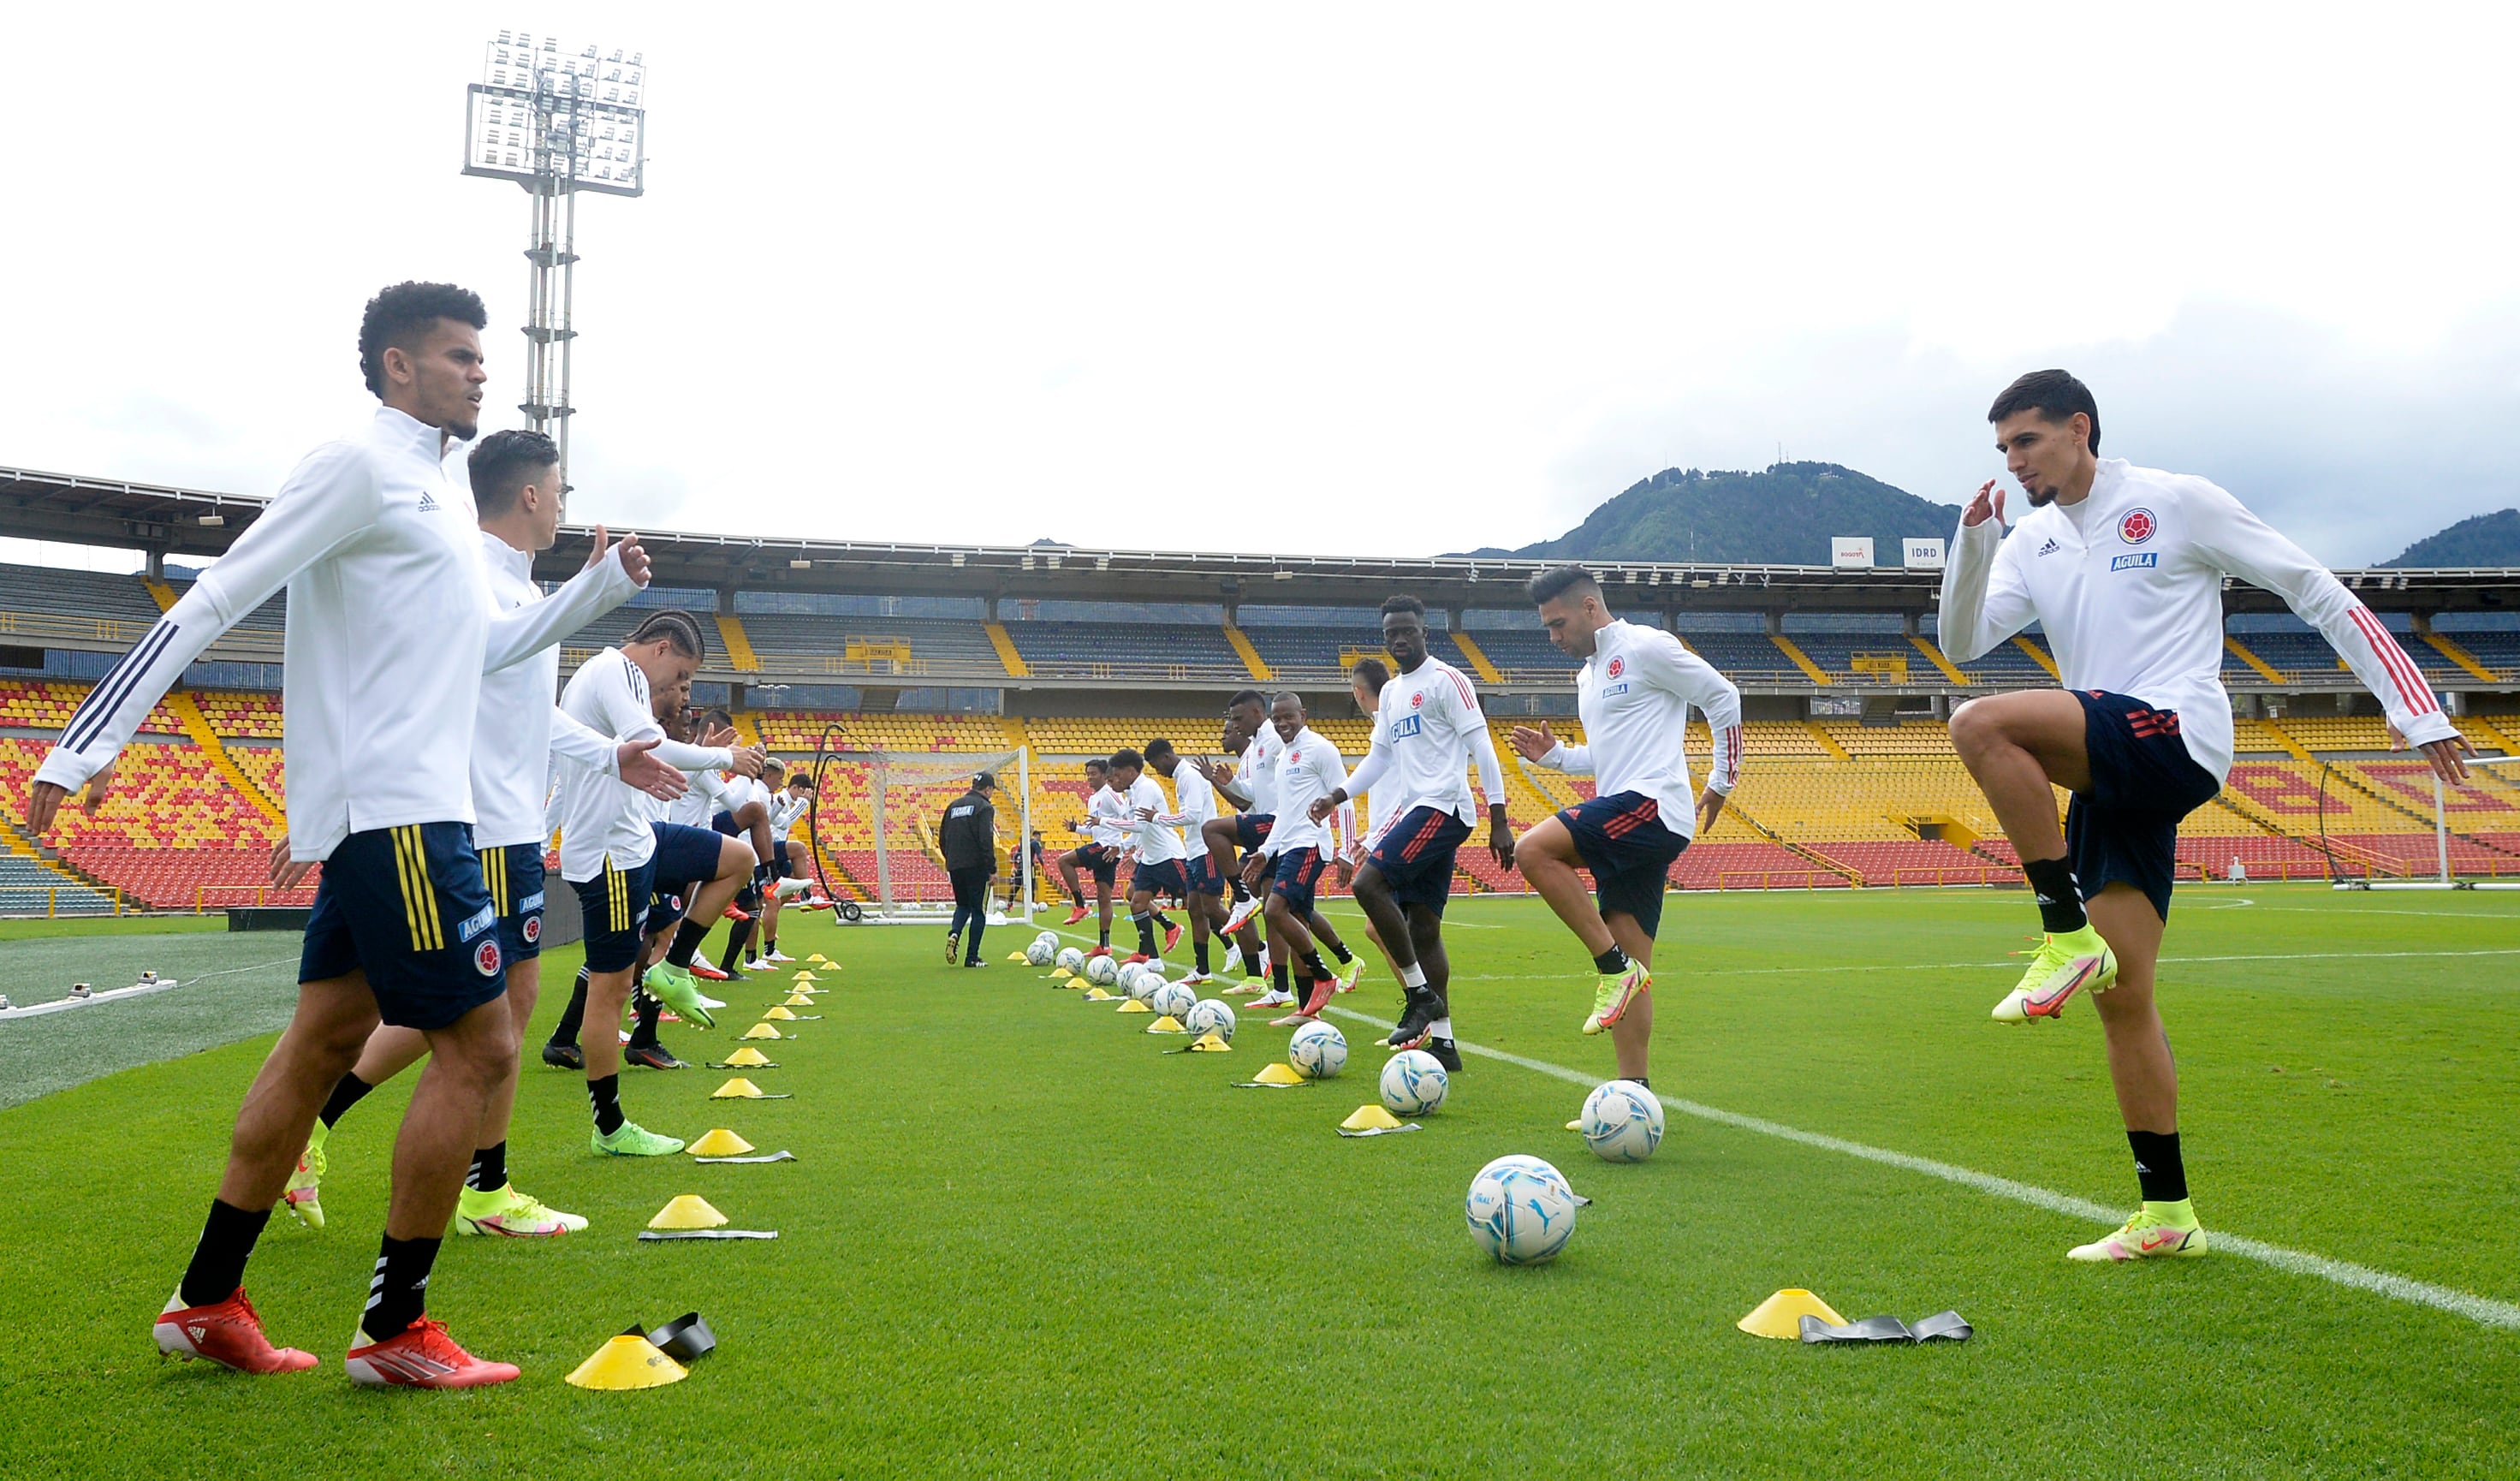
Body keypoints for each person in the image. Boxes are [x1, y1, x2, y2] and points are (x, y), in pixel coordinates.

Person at [26, 282, 647, 1385]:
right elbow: (216, 594)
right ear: (398, 366)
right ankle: (394, 1327)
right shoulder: (358, 464)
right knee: (484, 1044)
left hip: (405, 813)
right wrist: (83, 742)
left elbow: (485, 660)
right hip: (399, 813)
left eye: (480, 356)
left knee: (320, 1042)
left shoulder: (435, 500)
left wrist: (591, 589)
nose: (478, 371)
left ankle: (208, 1299)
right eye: (457, 355)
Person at [1937, 369, 2468, 1263]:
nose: (2012, 460)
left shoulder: (2174, 502)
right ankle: (2166, 1214)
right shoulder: (2030, 541)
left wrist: (2414, 708)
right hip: (2112, 768)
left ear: (2078, 428)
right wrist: (1972, 547)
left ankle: (2061, 930)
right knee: (2125, 996)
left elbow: (2311, 585)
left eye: (2025, 440)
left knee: (1980, 723)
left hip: (2174, 730)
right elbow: (1959, 644)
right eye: (2001, 448)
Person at [285, 429, 685, 1240]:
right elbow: (455, 672)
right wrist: (593, 591)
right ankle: (474, 1188)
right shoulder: (467, 576)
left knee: (481, 1009)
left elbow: (535, 721)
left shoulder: (526, 594)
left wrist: (611, 755)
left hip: (506, 826)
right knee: (477, 1015)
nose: (565, 502)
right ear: (531, 496)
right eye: (559, 489)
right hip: (468, 825)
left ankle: (372, 1152)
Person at [1507, 565, 1740, 1091]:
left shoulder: (1645, 647)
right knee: (1634, 956)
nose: (1553, 637)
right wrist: (1559, 757)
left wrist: (1722, 780)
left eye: (1558, 623)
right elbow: (1610, 753)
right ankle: (1634, 1097)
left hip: (1653, 806)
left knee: (1533, 850)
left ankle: (1613, 967)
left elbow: (1723, 696)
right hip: (1626, 807)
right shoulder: (1588, 676)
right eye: (1547, 627)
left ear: (1590, 607)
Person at [555, 612, 764, 1158]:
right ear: (661, 649)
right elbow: (651, 742)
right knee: (610, 990)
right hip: (610, 856)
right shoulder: (615, 670)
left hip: (639, 838)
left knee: (737, 859)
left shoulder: (605, 676)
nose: (677, 687)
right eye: (680, 673)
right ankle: (610, 1128)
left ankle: (672, 970)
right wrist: (727, 757)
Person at [1311, 598, 1513, 1073]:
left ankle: (1419, 995)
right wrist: (1337, 796)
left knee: (1367, 885)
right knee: (1423, 926)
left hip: (1444, 807)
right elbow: (1380, 760)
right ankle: (1444, 1042)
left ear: (1424, 632)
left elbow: (1480, 743)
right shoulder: (1394, 696)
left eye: (1408, 631)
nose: (1400, 639)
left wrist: (1498, 816)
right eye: (1392, 634)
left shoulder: (1447, 680)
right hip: (1420, 809)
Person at [1248, 693, 1352, 1026]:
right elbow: (1285, 813)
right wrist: (1266, 851)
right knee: (1298, 922)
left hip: (1310, 844)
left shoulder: (1321, 749)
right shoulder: (1284, 757)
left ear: (1303, 714)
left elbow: (1345, 800)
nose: (1282, 724)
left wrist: (1347, 851)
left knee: (1274, 909)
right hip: (1288, 845)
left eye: (1287, 717)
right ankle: (1308, 1010)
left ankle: (1324, 975)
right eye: (1276, 719)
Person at [1110, 747, 1192, 962]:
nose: (1116, 779)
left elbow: (1140, 826)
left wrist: (1104, 822)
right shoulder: (1133, 794)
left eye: (1118, 774)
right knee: (1136, 901)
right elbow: (1139, 832)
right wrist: (1123, 849)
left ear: (1130, 771)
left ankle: (1235, 946)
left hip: (1169, 855)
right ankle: (1153, 960)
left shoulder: (1146, 787)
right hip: (1151, 859)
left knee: (1198, 903)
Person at [1056, 758, 1126, 951]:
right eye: (1087, 774)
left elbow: (1127, 816)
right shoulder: (1092, 799)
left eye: (1093, 773)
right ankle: (1104, 945)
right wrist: (1076, 828)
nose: (1089, 777)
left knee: (1064, 861)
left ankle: (1080, 905)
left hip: (1107, 847)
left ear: (1105, 775)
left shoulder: (1111, 794)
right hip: (1101, 845)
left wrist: (1120, 845)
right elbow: (1093, 829)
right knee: (1104, 897)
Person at [941, 770, 999, 967]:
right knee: (978, 911)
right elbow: (986, 839)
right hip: (976, 866)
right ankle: (972, 957)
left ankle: (954, 933)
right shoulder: (984, 807)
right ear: (988, 789)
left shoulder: (953, 806)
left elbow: (942, 837)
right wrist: (991, 868)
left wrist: (950, 859)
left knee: (962, 905)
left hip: (955, 865)